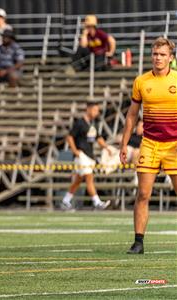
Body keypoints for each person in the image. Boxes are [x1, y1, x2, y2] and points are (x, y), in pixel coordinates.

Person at [119, 37, 177, 255]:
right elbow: (132, 115)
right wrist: (124, 144)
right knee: (143, 194)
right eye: (155, 54)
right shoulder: (141, 81)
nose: (158, 58)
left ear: (171, 58)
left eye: (162, 54)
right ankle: (138, 242)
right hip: (150, 144)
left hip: (174, 145)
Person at [60, 101, 112, 211]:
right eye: (94, 110)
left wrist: (106, 148)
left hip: (89, 156)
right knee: (89, 178)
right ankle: (97, 203)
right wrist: (75, 151)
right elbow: (70, 137)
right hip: (81, 156)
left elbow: (98, 138)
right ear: (88, 109)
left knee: (78, 180)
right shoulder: (80, 123)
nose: (96, 112)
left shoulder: (93, 123)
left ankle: (65, 200)